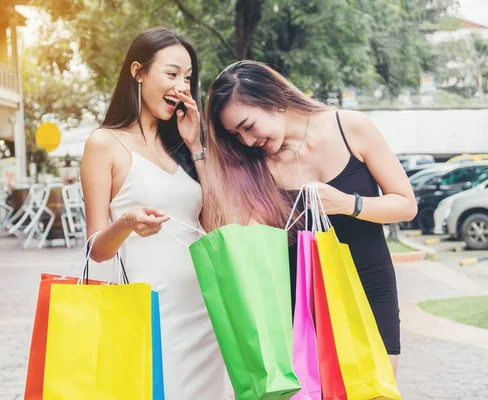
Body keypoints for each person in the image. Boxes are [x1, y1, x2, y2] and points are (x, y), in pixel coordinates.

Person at [202, 60, 417, 375]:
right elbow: (233, 233)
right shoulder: (254, 166)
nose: (247, 141)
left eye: (248, 126)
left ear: (273, 100)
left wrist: (348, 204)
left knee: (374, 390)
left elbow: (406, 204)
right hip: (300, 306)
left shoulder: (351, 127)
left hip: (369, 287)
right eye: (237, 135)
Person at [80, 28, 231, 398]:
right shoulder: (104, 143)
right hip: (152, 309)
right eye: (172, 73)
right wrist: (127, 223)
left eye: (188, 77)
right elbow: (96, 249)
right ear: (138, 72)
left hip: (205, 304)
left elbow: (215, 224)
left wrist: (196, 144)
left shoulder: (181, 144)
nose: (182, 85)